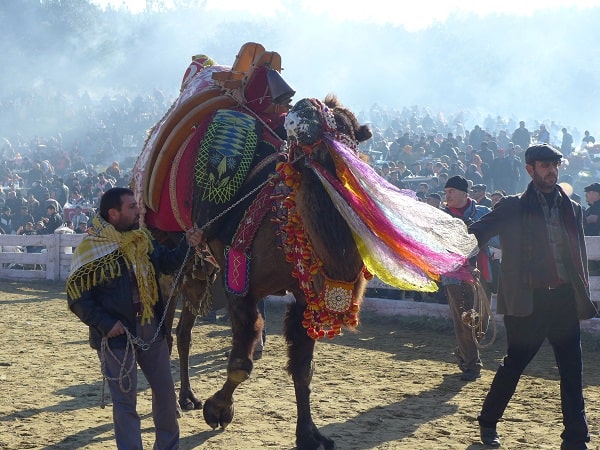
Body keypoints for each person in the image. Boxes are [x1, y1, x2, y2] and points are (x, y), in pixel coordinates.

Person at [469, 144, 597, 449]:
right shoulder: (513, 206)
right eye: (544, 165)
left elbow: (577, 255)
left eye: (555, 165)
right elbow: (478, 232)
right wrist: (455, 249)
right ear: (530, 169)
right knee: (514, 364)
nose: (551, 170)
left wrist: (582, 295)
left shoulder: (573, 208)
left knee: (572, 370)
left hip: (564, 298)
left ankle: (577, 438)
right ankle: (488, 423)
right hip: (529, 300)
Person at [66, 187, 204, 450]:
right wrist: (106, 325)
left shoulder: (142, 240)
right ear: (113, 213)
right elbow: (78, 299)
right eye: (132, 207)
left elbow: (167, 263)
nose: (138, 210)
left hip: (151, 329)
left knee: (165, 394)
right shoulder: (90, 249)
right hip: (117, 336)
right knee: (125, 402)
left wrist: (188, 243)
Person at [442, 175, 496, 382]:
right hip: (455, 275)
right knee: (465, 320)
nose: (448, 196)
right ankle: (473, 364)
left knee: (482, 321)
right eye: (446, 192)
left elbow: (496, 237)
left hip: (482, 270)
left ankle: (464, 352)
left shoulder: (483, 212)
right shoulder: (442, 216)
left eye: (451, 192)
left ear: (464, 193)